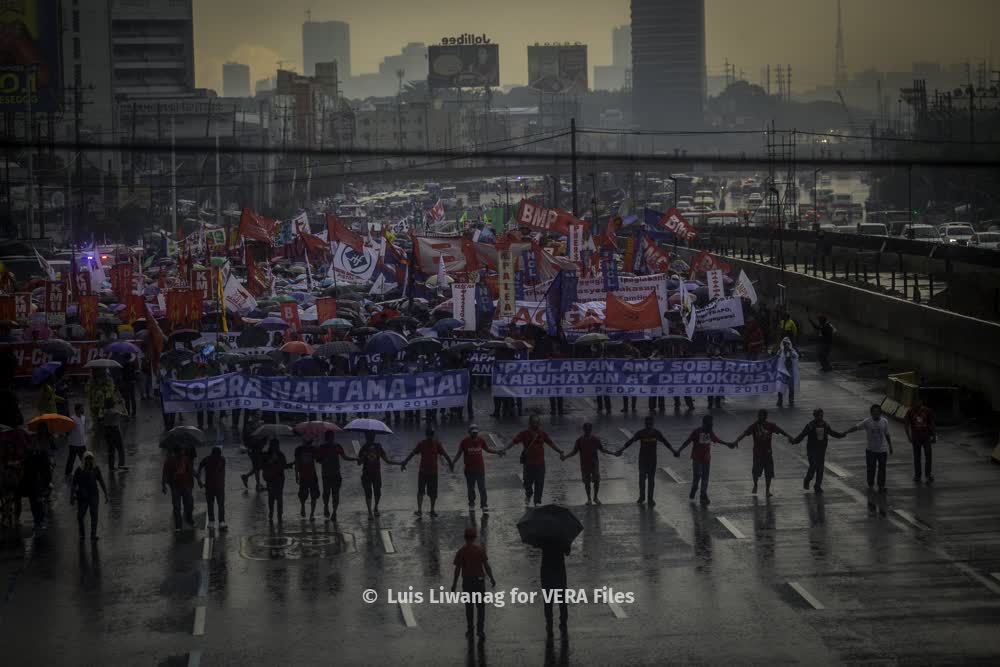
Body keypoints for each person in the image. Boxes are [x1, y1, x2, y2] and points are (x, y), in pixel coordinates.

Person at [504, 415, 564, 507]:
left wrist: (559, 451)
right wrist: (505, 449)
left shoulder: (542, 434)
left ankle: (537, 501)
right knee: (527, 482)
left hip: (540, 464)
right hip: (528, 464)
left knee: (539, 483)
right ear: (530, 423)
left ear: (539, 423)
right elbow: (514, 441)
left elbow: (550, 443)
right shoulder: (524, 434)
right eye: (533, 422)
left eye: (537, 422)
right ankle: (528, 494)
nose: (535, 424)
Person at [676, 415, 736, 506]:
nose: (711, 426)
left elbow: (717, 439)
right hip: (697, 458)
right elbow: (688, 441)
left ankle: (703, 495)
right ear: (704, 424)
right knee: (698, 475)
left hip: (706, 459)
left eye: (711, 425)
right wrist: (679, 450)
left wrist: (727, 444)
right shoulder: (697, 432)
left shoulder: (710, 432)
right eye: (709, 425)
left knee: (705, 477)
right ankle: (694, 488)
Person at [616, 417, 676, 506]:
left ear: (652, 424)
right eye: (647, 424)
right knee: (642, 478)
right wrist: (621, 449)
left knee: (651, 480)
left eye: (650, 424)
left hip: (652, 460)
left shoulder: (656, 433)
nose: (648, 426)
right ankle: (642, 496)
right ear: (645, 424)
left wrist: (673, 451)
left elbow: (665, 442)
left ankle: (650, 499)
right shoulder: (641, 433)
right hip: (643, 459)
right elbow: (631, 441)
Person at [451, 526, 496, 641]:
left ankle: (470, 629)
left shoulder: (461, 551)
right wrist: (491, 578)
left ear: (465, 538)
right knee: (481, 607)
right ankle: (480, 630)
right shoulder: (480, 550)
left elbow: (457, 570)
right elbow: (486, 566)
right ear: (475, 537)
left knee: (469, 607)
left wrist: (454, 584)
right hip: (479, 582)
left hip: (467, 582)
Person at [735, 409, 792, 496]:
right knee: (755, 472)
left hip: (768, 452)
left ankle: (767, 491)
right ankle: (755, 485)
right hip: (757, 453)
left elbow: (781, 431)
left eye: (761, 415)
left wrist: (789, 436)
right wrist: (736, 441)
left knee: (768, 472)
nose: (759, 417)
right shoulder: (754, 426)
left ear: (765, 416)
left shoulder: (770, 425)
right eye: (759, 415)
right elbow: (744, 433)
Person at [401, 426, 453, 518]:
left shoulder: (437, 444)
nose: (430, 436)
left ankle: (432, 510)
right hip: (423, 472)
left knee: (433, 493)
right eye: (429, 434)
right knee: (421, 491)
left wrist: (450, 463)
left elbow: (444, 454)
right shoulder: (421, 444)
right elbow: (413, 453)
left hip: (433, 473)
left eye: (431, 434)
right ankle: (420, 510)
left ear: (433, 435)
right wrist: (405, 462)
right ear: (426, 435)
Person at [790, 408, 846, 493]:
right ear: (814, 416)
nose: (820, 417)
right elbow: (803, 434)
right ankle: (807, 480)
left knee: (820, 468)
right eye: (818, 415)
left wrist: (841, 435)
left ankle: (817, 486)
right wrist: (795, 441)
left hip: (821, 449)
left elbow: (832, 432)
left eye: (821, 415)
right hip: (812, 449)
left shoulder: (825, 425)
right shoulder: (810, 425)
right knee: (813, 465)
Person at [453, 425, 504, 513]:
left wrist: (497, 452)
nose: (475, 435)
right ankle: (471, 504)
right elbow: (459, 453)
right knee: (471, 488)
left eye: (476, 433)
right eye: (473, 433)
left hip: (480, 469)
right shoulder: (464, 442)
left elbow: (487, 449)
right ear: (469, 433)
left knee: (482, 488)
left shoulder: (481, 440)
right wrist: (453, 462)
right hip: (469, 470)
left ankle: (484, 505)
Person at [562, 423, 615, 505]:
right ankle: (589, 498)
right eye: (586, 429)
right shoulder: (579, 440)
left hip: (594, 464)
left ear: (591, 430)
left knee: (596, 481)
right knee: (587, 482)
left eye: (589, 429)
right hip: (585, 464)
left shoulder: (595, 439)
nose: (587, 431)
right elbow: (574, 452)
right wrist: (566, 457)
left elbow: (602, 449)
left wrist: (613, 453)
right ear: (584, 430)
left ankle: (595, 497)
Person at [846, 404, 893, 493]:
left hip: (882, 450)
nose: (876, 414)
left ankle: (881, 485)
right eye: (874, 412)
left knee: (882, 468)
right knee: (871, 468)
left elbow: (887, 434)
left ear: (880, 413)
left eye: (878, 412)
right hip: (871, 450)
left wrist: (890, 446)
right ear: (871, 413)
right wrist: (846, 432)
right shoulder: (867, 422)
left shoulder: (884, 421)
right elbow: (856, 427)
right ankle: (870, 483)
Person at [357, 431, 399, 519]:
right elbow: (359, 462)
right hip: (366, 473)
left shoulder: (378, 446)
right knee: (368, 493)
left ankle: (375, 507)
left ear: (374, 436)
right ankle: (369, 512)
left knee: (377, 493)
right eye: (368, 435)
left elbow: (386, 460)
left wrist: (399, 463)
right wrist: (364, 456)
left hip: (376, 473)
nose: (370, 437)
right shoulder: (364, 448)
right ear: (366, 437)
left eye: (371, 435)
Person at [70, 451, 108, 540]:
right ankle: (82, 533)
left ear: (92, 460)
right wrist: (71, 496)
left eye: (90, 459)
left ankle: (93, 535)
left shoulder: (96, 469)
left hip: (94, 495)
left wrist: (106, 494)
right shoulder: (79, 470)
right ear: (83, 460)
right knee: (80, 516)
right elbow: (73, 484)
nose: (88, 461)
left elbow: (101, 481)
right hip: (82, 496)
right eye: (87, 459)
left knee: (94, 516)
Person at [317, 432, 355, 521]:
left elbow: (344, 457)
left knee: (335, 494)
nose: (331, 439)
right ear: (327, 438)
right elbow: (318, 460)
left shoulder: (337, 446)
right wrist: (323, 459)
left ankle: (334, 512)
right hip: (326, 474)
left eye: (332, 437)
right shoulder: (322, 447)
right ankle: (326, 506)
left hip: (335, 473)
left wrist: (354, 459)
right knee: (326, 493)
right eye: (330, 437)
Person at [22, 434, 53, 531]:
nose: (34, 444)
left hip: (40, 483)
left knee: (40, 502)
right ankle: (37, 521)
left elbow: (47, 469)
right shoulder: (29, 456)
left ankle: (41, 520)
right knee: (33, 504)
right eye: (33, 443)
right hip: (31, 483)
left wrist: (47, 482)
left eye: (35, 443)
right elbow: (26, 470)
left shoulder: (42, 454)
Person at [540, 540, 570, 636]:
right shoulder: (562, 535)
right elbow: (567, 552)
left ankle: (549, 623)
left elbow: (537, 544)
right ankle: (563, 623)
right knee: (562, 599)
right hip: (559, 570)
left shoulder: (543, 534)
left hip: (546, 571)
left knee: (548, 600)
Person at [162, 445, 195, 531]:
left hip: (186, 485)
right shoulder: (169, 461)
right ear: (177, 452)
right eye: (181, 451)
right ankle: (178, 525)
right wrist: (163, 485)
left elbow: (191, 470)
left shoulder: (186, 459)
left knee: (188, 504)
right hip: (175, 486)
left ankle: (189, 518)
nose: (182, 452)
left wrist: (198, 478)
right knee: (177, 506)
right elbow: (165, 473)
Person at [904, 397, 936, 484]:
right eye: (915, 401)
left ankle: (928, 475)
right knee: (917, 457)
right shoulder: (910, 412)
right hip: (916, 437)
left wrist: (934, 436)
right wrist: (909, 436)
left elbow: (932, 423)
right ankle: (918, 475)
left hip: (926, 436)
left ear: (921, 401)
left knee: (928, 456)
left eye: (919, 401)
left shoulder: (928, 411)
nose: (917, 403)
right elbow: (906, 424)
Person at [261, 439, 293, 523]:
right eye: (274, 445)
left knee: (279, 496)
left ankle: (279, 514)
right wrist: (271, 461)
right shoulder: (266, 455)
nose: (276, 447)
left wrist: (290, 465)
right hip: (270, 478)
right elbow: (262, 465)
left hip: (279, 478)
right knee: (271, 496)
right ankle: (271, 512)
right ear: (271, 446)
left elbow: (284, 465)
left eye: (277, 445)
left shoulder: (281, 455)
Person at [197, 446, 227, 529]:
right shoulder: (213, 460)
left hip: (216, 486)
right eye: (217, 454)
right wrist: (199, 479)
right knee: (213, 504)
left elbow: (200, 467)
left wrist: (199, 479)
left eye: (219, 455)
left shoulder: (220, 460)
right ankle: (214, 521)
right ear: (213, 454)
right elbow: (200, 467)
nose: (219, 456)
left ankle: (219, 521)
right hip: (213, 486)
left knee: (219, 505)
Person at [293, 438, 321, 519]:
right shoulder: (299, 450)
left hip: (312, 475)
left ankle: (312, 513)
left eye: (309, 443)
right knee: (302, 496)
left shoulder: (313, 449)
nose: (308, 444)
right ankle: (303, 507)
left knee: (314, 496)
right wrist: (296, 475)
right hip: (303, 476)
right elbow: (297, 463)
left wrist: (317, 450)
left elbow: (318, 459)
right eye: (307, 442)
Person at [239, 411, 264, 492]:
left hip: (259, 448)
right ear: (252, 416)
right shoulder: (248, 426)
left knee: (258, 466)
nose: (258, 417)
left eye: (259, 415)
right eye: (256, 415)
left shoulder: (260, 425)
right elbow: (249, 437)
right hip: (252, 449)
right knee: (257, 466)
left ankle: (246, 477)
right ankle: (258, 484)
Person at [101, 398, 126, 471]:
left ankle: (111, 467)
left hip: (107, 430)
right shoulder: (115, 412)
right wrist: (123, 405)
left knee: (111, 449)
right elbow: (126, 415)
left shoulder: (104, 411)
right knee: (120, 448)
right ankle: (121, 464)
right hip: (115, 430)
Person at [64, 403, 88, 477]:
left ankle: (86, 471)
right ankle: (68, 473)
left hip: (82, 443)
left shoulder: (83, 418)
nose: (83, 410)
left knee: (84, 458)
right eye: (82, 408)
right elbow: (67, 431)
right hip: (73, 444)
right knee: (71, 459)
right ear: (77, 410)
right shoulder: (72, 419)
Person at [776, 337, 800, 408]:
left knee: (791, 386)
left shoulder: (792, 350)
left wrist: (790, 351)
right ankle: (780, 400)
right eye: (784, 343)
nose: (786, 345)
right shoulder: (780, 351)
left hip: (790, 370)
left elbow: (796, 356)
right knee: (781, 386)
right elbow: (776, 358)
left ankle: (791, 400)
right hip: (782, 371)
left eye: (787, 343)